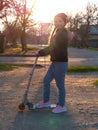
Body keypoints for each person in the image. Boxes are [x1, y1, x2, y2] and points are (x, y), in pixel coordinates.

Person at [35, 13, 73, 113]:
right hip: (55, 62)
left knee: (60, 85)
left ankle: (61, 105)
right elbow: (52, 46)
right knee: (46, 80)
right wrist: (42, 51)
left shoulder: (63, 33)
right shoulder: (57, 32)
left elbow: (53, 47)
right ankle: (46, 101)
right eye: (56, 21)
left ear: (65, 22)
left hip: (61, 63)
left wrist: (41, 52)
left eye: (60, 21)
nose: (57, 23)